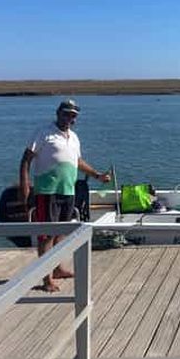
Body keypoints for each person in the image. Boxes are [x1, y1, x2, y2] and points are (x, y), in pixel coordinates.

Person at [19, 99, 111, 292]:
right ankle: (46, 279)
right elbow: (25, 162)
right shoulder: (43, 133)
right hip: (47, 192)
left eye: (73, 115)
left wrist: (97, 175)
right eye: (66, 113)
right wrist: (25, 190)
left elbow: (77, 161)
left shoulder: (74, 137)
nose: (69, 118)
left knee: (61, 233)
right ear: (57, 113)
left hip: (67, 191)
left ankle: (58, 268)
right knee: (46, 236)